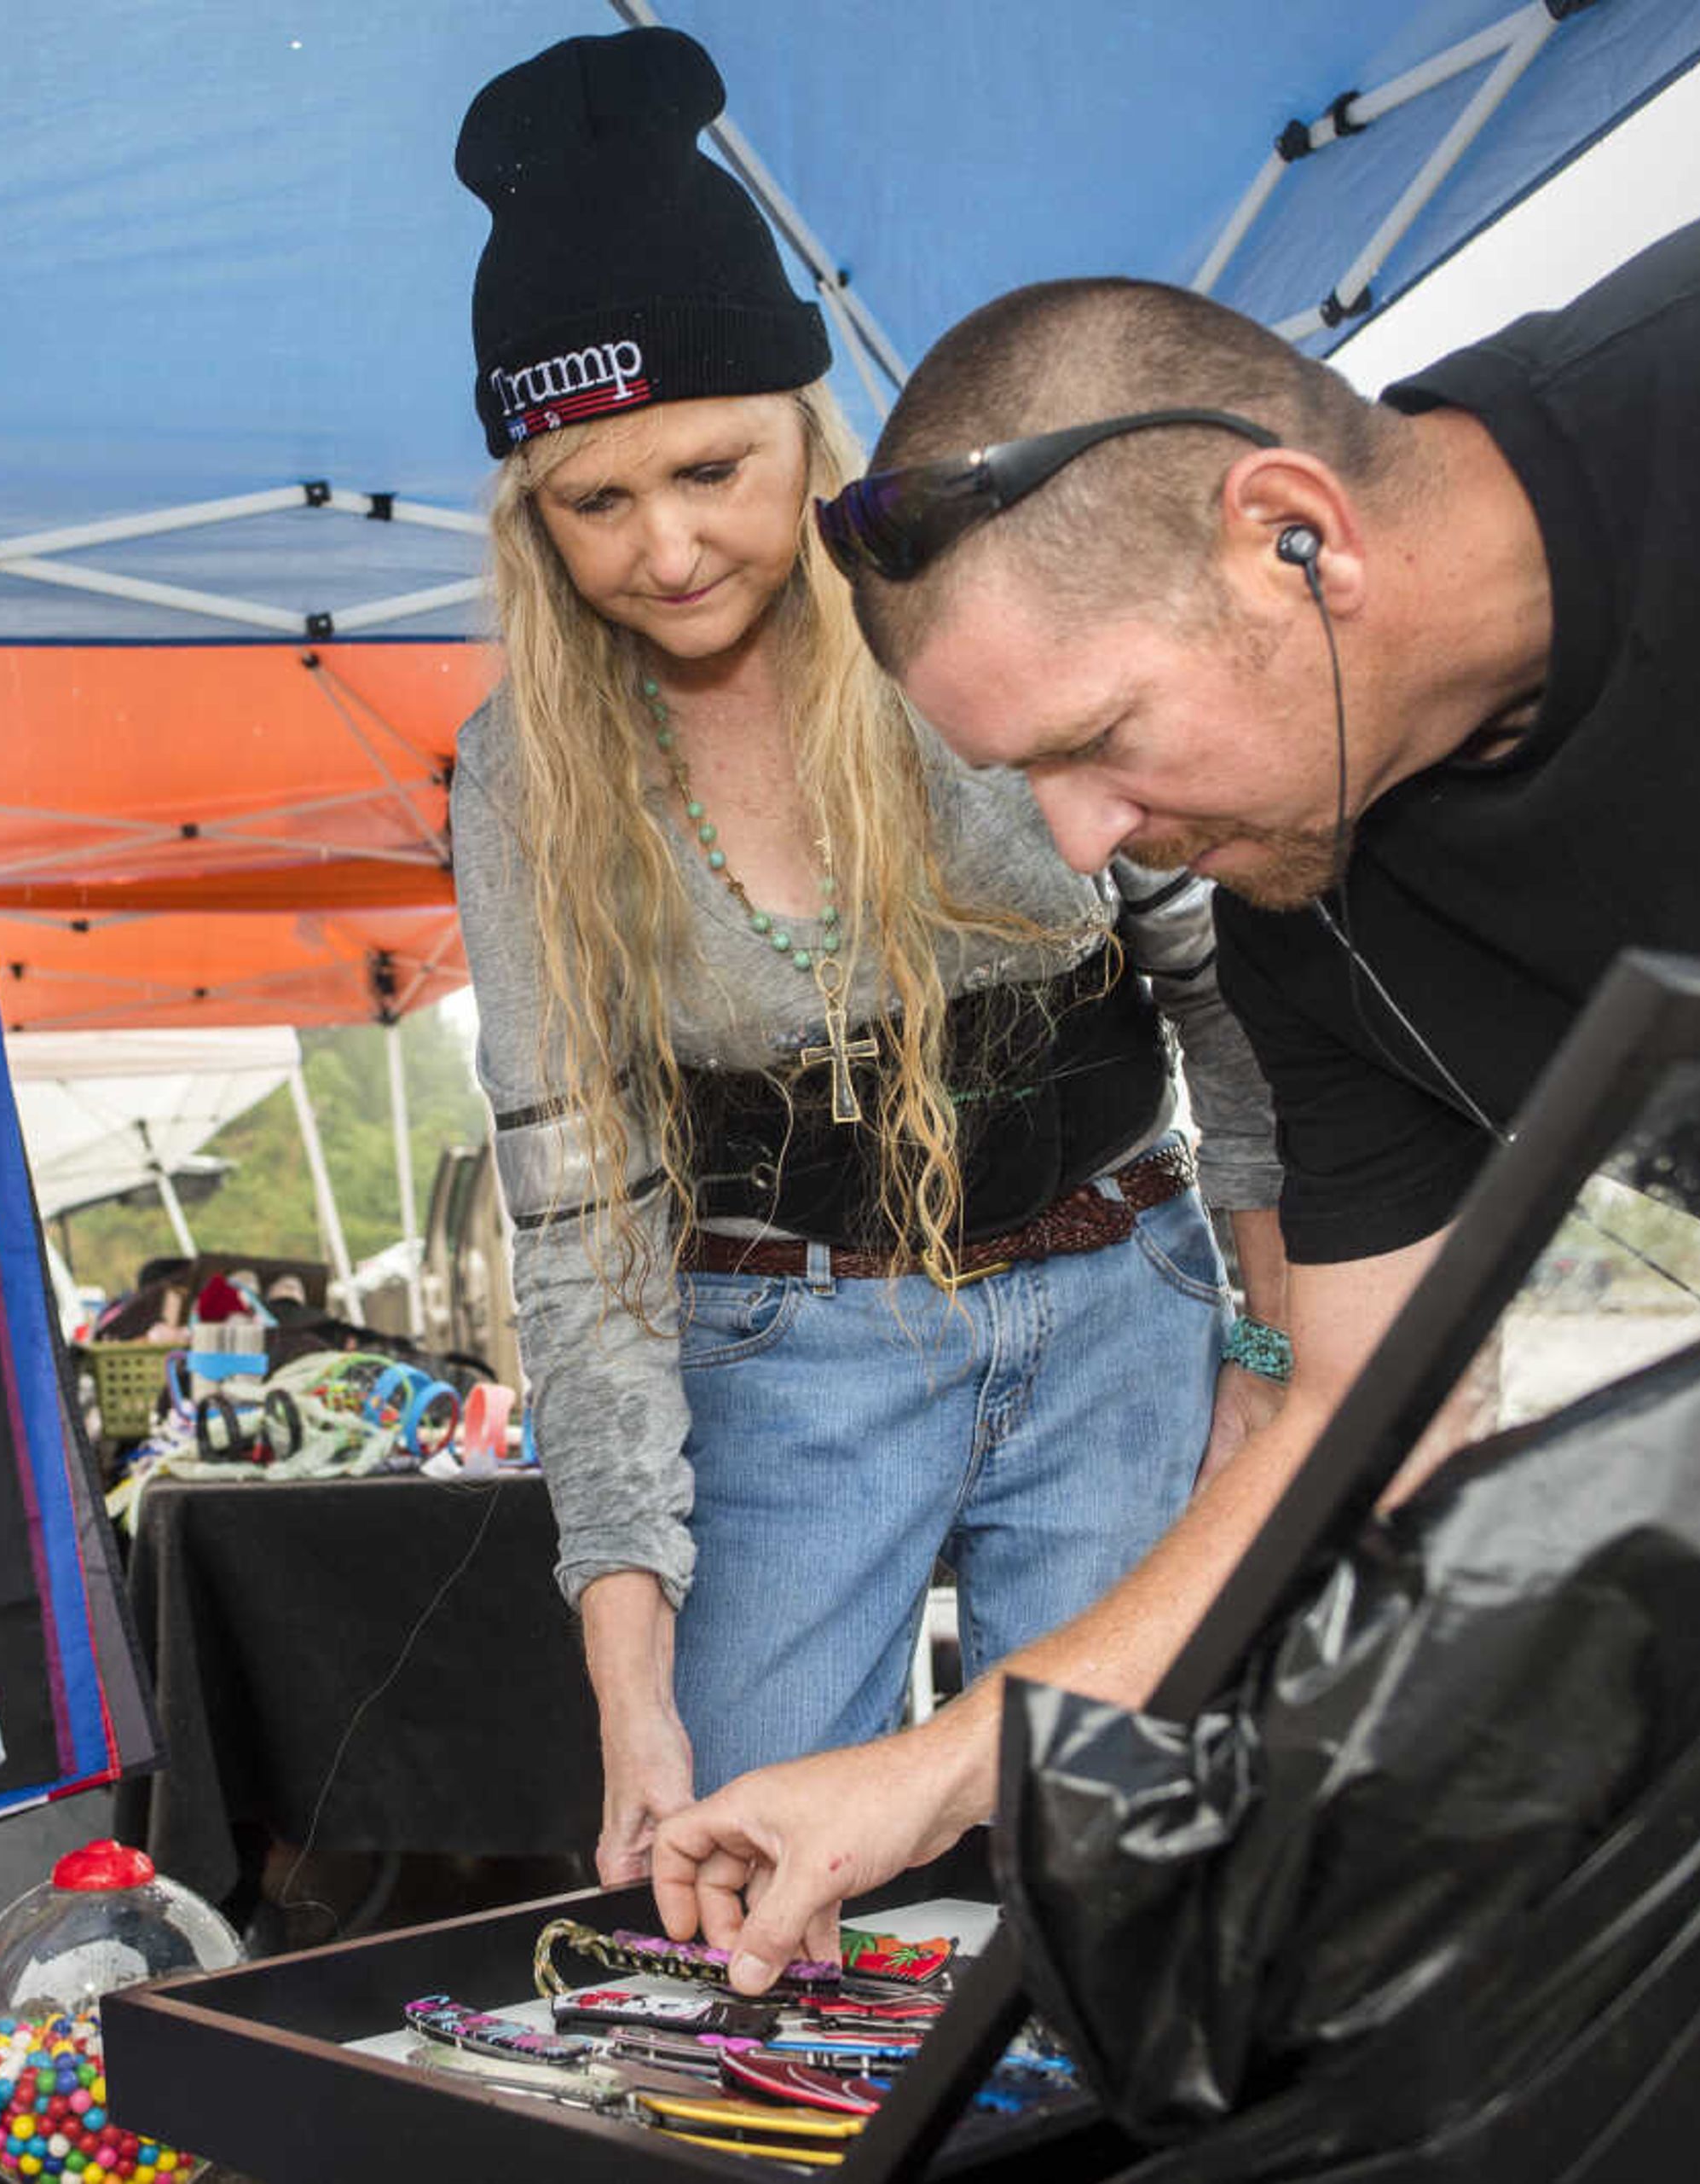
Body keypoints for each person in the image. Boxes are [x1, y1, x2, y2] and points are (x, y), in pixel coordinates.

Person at [649, 148, 1700, 1988]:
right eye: (1028, 780)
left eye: (1101, 738)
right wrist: (934, 1774)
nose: (1090, 842)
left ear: (1296, 535)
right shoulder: (1314, 923)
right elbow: (1352, 1424)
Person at [446, 26, 1286, 1886]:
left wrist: (1271, 1341)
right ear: (533, 517)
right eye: (598, 502)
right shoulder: (519, 776)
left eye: (713, 470)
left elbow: (1224, 989)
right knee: (740, 1893)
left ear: (805, 431)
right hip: (785, 1359)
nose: (666, 548)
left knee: (1110, 1886)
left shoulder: (974, 606)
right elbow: (578, 1222)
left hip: (1121, 1312)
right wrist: (630, 1676)